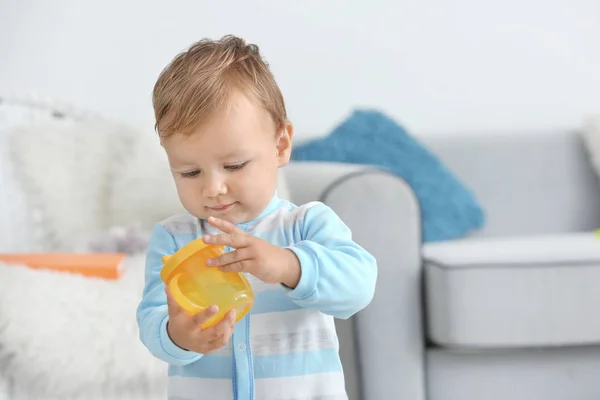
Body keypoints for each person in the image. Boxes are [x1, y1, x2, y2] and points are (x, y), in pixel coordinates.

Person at [136, 34, 377, 400]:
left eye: (233, 165)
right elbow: (153, 320)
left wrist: (287, 265)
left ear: (280, 146)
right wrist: (178, 336)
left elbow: (359, 287)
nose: (213, 188)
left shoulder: (305, 225)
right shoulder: (174, 238)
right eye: (189, 173)